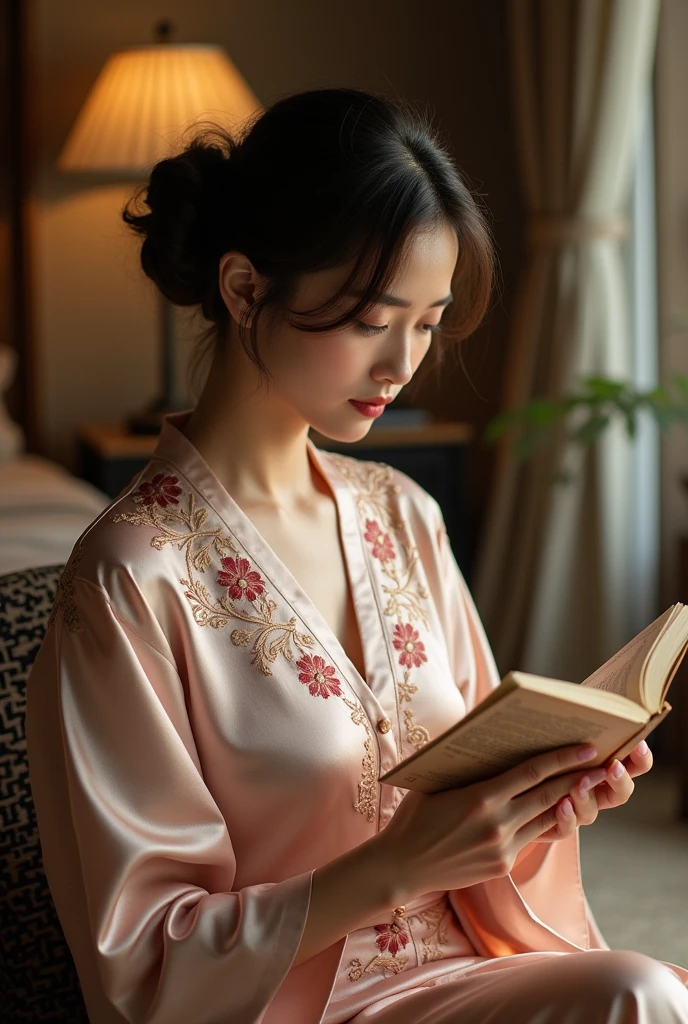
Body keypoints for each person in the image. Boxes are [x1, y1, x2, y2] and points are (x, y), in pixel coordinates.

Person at [26, 87, 688, 1024]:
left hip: (465, 973)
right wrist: (396, 865)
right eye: (372, 319)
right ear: (246, 288)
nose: (401, 366)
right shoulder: (132, 577)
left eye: (427, 323)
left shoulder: (404, 513)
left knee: (642, 992)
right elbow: (141, 961)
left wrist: (543, 801)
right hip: (284, 1009)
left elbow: (479, 818)